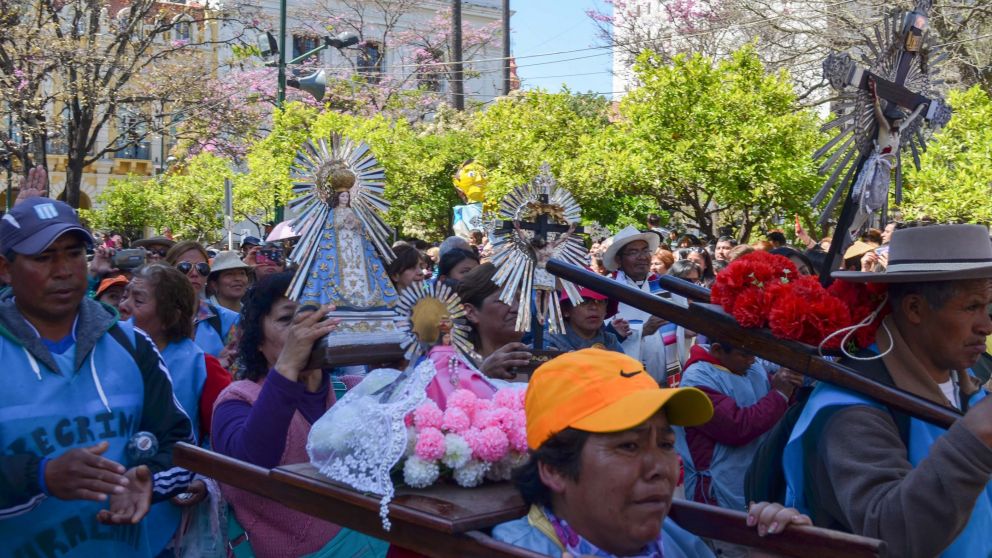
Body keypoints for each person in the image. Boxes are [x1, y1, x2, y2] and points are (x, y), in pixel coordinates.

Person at [783, 224, 992, 557]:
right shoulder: (852, 410)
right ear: (914, 309)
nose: (986, 326)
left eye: (988, 307)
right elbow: (890, 534)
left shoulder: (969, 381)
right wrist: (975, 441)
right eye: (971, 308)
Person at [0, 197, 194, 556]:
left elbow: (180, 446)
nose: (63, 270)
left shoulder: (132, 344)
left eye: (74, 253)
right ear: (5, 269)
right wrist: (41, 475)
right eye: (44, 257)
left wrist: (148, 480)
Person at [493, 348, 811, 557]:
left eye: (666, 444)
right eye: (629, 445)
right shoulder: (510, 551)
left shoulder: (679, 540)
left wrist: (774, 550)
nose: (660, 468)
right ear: (553, 468)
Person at [212, 272, 387, 558]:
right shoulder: (237, 400)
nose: (303, 329)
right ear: (257, 340)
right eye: (286, 320)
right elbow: (249, 469)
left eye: (314, 316)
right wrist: (289, 365)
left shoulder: (356, 393)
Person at [118, 263, 231, 555]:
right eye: (125, 296)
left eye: (138, 300)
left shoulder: (202, 367)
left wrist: (203, 480)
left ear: (171, 316)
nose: (124, 306)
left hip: (168, 515)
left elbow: (221, 442)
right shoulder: (102, 355)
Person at [675, 341, 802, 512]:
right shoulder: (696, 380)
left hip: (756, 478)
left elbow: (773, 406)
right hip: (718, 490)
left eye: (753, 354)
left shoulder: (752, 367)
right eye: (744, 355)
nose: (751, 360)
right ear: (717, 350)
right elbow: (737, 427)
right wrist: (780, 394)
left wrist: (790, 388)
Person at [604, 226, 668, 382]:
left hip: (666, 379)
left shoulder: (665, 286)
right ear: (619, 260)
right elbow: (600, 336)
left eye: (645, 251)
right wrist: (643, 330)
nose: (642, 257)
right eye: (633, 252)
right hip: (624, 380)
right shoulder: (607, 289)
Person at [457, 263, 532, 380]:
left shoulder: (536, 363)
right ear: (471, 313)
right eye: (504, 300)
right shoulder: (452, 367)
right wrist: (483, 376)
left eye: (520, 300)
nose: (517, 309)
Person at [166, 240, 240, 358]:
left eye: (202, 268)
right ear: (168, 271)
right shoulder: (154, 318)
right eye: (185, 267)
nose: (195, 273)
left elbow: (238, 370)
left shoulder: (229, 320)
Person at [547, 287, 628, 353]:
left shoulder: (611, 341)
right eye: (584, 301)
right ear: (566, 310)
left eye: (599, 301)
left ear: (606, 309)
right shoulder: (551, 341)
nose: (594, 307)